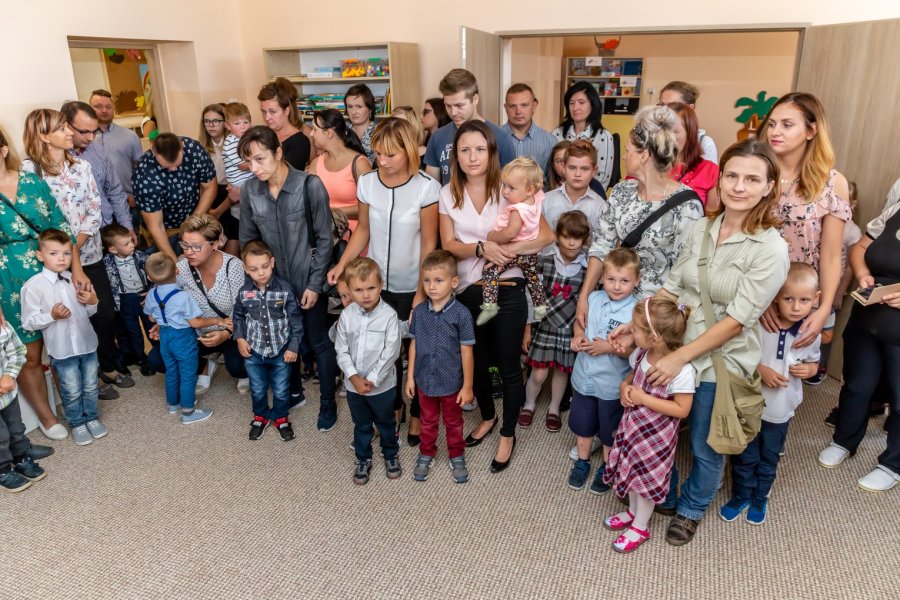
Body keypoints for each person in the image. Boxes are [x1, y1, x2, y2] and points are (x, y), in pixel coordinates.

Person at [619, 139, 789, 546]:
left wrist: (679, 358)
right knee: (661, 429)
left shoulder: (771, 248)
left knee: (704, 445)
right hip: (673, 347)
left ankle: (692, 508)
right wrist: (635, 323)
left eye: (752, 179)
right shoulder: (702, 228)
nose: (739, 187)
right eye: (732, 176)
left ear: (769, 187)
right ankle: (665, 493)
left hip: (720, 361)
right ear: (720, 178)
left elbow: (736, 322)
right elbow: (673, 286)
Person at [439, 120, 553, 472]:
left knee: (508, 366)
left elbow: (546, 236)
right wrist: (481, 248)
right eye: (464, 150)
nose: (472, 157)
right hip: (466, 290)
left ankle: (507, 434)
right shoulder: (447, 193)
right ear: (455, 155)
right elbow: (448, 244)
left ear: (491, 152)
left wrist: (508, 249)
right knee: (476, 362)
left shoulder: (509, 188)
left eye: (479, 149)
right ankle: (488, 417)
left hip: (508, 288)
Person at [327, 117, 440, 444]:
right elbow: (362, 230)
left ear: (408, 151)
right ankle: (394, 407)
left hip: (412, 284)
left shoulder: (426, 187)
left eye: (391, 154)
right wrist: (342, 266)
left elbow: (428, 244)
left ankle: (416, 411)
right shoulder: (367, 183)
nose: (383, 161)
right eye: (378, 153)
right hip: (377, 287)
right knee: (384, 352)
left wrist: (422, 291)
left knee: (417, 350)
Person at [22, 108, 133, 396]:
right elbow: (37, 219)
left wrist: (75, 247)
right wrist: (64, 254)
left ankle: (107, 364)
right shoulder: (28, 172)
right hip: (54, 261)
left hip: (89, 251)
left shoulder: (81, 166)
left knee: (103, 312)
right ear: (44, 137)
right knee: (71, 316)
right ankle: (91, 378)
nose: (69, 132)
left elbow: (94, 211)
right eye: (62, 129)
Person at [238, 126, 338, 431]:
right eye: (248, 161)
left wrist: (314, 284)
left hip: (308, 278)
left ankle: (328, 403)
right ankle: (294, 393)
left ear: (279, 153)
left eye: (260, 159)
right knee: (282, 340)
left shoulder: (310, 185)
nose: (254, 168)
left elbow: (325, 239)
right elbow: (248, 241)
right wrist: (258, 280)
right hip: (271, 283)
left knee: (318, 342)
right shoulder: (250, 190)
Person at [576, 105, 704, 328]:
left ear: (643, 155)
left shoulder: (687, 206)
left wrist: (642, 320)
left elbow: (682, 272)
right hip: (611, 305)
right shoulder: (621, 191)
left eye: (628, 151)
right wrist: (584, 298)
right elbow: (601, 246)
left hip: (656, 315)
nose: (624, 157)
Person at [720, 263, 821, 525]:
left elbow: (814, 362)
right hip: (750, 405)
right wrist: (760, 369)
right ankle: (741, 494)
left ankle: (760, 496)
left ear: (816, 299)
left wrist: (809, 370)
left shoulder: (811, 333)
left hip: (781, 408)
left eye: (804, 300)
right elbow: (739, 355)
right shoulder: (760, 326)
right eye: (788, 299)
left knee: (769, 455)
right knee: (745, 454)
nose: (796, 307)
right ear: (776, 296)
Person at [0, 124, 82, 441]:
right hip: (7, 283)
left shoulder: (32, 182)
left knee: (64, 345)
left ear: (3, 150)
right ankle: (47, 418)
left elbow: (62, 228)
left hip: (50, 271)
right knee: (29, 355)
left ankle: (76, 408)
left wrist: (77, 271)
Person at [818, 193, 900, 492]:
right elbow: (861, 247)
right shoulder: (895, 209)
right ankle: (844, 441)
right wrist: (864, 274)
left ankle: (893, 464)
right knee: (857, 385)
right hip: (868, 316)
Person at [757, 92, 851, 350]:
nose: (775, 131)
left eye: (787, 125)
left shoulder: (832, 183)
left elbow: (831, 255)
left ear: (811, 131)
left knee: (793, 369)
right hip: (756, 294)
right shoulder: (758, 173)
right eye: (772, 124)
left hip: (802, 301)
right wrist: (759, 300)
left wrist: (824, 309)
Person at [602, 296, 695, 553]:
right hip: (633, 428)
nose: (631, 331)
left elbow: (682, 409)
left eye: (636, 329)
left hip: (656, 438)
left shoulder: (682, 371)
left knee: (645, 481)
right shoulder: (643, 353)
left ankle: (641, 526)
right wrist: (625, 386)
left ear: (654, 338)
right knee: (632, 471)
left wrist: (644, 399)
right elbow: (633, 377)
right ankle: (633, 513)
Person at [21, 229, 103, 446]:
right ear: (40, 256)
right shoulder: (33, 286)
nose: (62, 259)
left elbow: (89, 312)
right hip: (62, 349)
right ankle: (77, 422)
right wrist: (51, 315)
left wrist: (93, 301)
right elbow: (28, 322)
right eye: (54, 253)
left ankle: (92, 417)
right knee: (71, 389)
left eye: (67, 253)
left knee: (91, 385)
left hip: (87, 344)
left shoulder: (74, 279)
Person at [567, 248, 639, 492]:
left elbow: (634, 351)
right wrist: (578, 336)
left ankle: (608, 466)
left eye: (624, 281)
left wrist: (607, 347)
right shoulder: (593, 299)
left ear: (636, 281)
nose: (616, 286)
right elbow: (579, 323)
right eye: (611, 279)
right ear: (601, 278)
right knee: (583, 424)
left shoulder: (635, 311)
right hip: (583, 379)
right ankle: (582, 461)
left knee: (610, 430)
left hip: (611, 385)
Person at [406, 250, 475, 483]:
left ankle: (456, 454)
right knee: (427, 420)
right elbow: (413, 345)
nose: (431, 286)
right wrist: (410, 378)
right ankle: (426, 452)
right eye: (426, 280)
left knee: (453, 422)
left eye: (438, 280)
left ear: (453, 282)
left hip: (451, 381)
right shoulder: (419, 313)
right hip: (424, 379)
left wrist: (467, 386)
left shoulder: (462, 314)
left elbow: (467, 352)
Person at [334, 257, 402, 485]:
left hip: (382, 386)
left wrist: (371, 379)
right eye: (358, 290)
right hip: (354, 386)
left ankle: (390, 454)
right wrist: (353, 378)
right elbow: (341, 349)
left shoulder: (389, 316)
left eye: (371, 288)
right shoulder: (346, 316)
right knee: (361, 425)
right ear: (349, 290)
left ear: (380, 285)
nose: (365, 295)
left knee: (386, 423)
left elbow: (391, 352)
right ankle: (363, 458)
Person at [520, 212, 590, 430]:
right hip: (545, 326)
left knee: (561, 373)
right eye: (566, 236)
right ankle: (529, 404)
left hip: (568, 328)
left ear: (585, 239)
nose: (571, 243)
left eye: (577, 238)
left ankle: (554, 408)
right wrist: (528, 328)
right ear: (557, 236)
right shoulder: (545, 260)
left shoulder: (588, 268)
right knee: (538, 374)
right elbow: (531, 295)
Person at [233, 240, 303, 442]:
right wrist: (240, 338)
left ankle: (280, 417)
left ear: (272, 262)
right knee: (257, 388)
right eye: (254, 269)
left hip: (281, 350)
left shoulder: (285, 290)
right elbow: (237, 316)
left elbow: (296, 321)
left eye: (265, 266)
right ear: (245, 269)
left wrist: (293, 346)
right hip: (254, 351)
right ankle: (260, 416)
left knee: (281, 388)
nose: (261, 273)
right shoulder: (244, 292)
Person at [143, 252, 226, 424]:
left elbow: (151, 317)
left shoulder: (151, 294)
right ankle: (188, 412)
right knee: (188, 374)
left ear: (149, 277)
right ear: (177, 271)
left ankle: (173, 404)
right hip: (182, 338)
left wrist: (163, 318)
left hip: (165, 336)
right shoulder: (182, 296)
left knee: (172, 371)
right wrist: (218, 320)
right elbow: (195, 322)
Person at [478, 157, 548, 325]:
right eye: (504, 185)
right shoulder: (536, 198)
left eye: (511, 188)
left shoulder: (517, 209)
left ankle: (490, 305)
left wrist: (492, 236)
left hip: (513, 253)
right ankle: (540, 306)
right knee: (532, 277)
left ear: (529, 190)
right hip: (531, 253)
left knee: (490, 271)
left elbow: (510, 233)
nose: (505, 192)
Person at [132, 132, 217, 263]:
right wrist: (175, 263)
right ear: (154, 152)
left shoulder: (194, 150)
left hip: (197, 218)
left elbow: (209, 187)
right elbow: (156, 226)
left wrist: (192, 224)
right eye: (167, 167)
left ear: (181, 146)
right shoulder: (144, 174)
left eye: (177, 164)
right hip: (166, 229)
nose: (173, 169)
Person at [424, 69, 516, 185]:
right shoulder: (437, 137)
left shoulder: (501, 138)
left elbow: (510, 186)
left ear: (475, 99)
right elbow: (431, 188)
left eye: (459, 105)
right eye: (448, 106)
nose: (453, 113)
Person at [815, 181, 862, 390]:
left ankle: (820, 366)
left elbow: (851, 266)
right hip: (810, 285)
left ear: (853, 204)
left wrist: (839, 292)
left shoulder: (852, 231)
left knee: (825, 330)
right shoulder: (819, 221)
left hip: (830, 288)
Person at [61, 101, 133, 234]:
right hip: (79, 235)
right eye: (84, 132)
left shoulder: (97, 150)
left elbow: (114, 190)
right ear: (66, 125)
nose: (91, 138)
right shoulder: (56, 158)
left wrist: (126, 225)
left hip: (108, 227)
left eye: (94, 132)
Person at [307, 109, 372, 233]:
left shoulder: (360, 164)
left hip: (354, 234)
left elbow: (370, 207)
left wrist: (331, 212)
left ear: (329, 133)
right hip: (323, 235)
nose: (311, 134)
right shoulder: (316, 164)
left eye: (315, 129)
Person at [101, 224, 154, 376]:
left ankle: (158, 353)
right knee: (133, 332)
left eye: (131, 241)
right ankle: (141, 358)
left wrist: (152, 290)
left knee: (151, 326)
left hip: (144, 296)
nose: (132, 245)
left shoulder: (141, 256)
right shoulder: (107, 262)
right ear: (113, 249)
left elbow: (155, 272)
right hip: (125, 301)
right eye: (126, 244)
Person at [0, 322, 46, 492]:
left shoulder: (3, 326)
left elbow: (18, 351)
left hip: (8, 394)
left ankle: (21, 458)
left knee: (16, 429)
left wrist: (8, 375)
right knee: (1, 438)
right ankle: (3, 470)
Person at [90, 89, 144, 231]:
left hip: (127, 203)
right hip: (95, 207)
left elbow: (141, 170)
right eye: (98, 106)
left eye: (108, 106)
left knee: (131, 241)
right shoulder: (83, 139)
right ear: (89, 109)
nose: (104, 110)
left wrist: (136, 195)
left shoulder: (130, 136)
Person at [552, 81, 620, 191]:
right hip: (558, 194)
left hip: (590, 195)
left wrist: (578, 196)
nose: (575, 108)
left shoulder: (604, 136)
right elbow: (552, 172)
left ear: (592, 105)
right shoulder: (557, 133)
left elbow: (602, 179)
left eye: (581, 102)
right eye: (571, 103)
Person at [541, 140, 606, 236]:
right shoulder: (545, 201)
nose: (577, 174)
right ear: (564, 168)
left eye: (584, 169)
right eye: (572, 168)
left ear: (594, 171)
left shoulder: (600, 207)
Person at [199, 103, 240, 255]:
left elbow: (237, 185)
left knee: (232, 237)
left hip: (231, 197)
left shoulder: (234, 144)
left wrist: (218, 211)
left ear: (225, 123)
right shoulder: (200, 147)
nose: (211, 125)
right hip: (210, 196)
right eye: (207, 121)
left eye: (216, 121)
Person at [668, 103, 719, 208]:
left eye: (673, 131)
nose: (664, 137)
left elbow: (712, 215)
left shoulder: (709, 171)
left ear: (690, 133)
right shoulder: (646, 166)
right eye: (660, 131)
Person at [258, 78, 313, 170]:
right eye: (264, 112)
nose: (267, 117)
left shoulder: (300, 142)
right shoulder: (262, 135)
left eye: (272, 112)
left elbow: (281, 174)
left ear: (287, 111)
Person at [659, 81, 718, 163]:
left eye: (673, 106)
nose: (664, 111)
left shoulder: (704, 143)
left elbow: (709, 170)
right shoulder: (654, 136)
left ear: (690, 108)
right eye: (662, 105)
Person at [502, 83, 556, 170]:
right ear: (505, 108)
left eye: (524, 105)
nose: (518, 111)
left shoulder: (550, 142)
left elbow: (552, 177)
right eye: (512, 106)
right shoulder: (493, 138)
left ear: (534, 106)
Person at [345, 83, 378, 163]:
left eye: (359, 107)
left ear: (370, 109)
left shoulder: (380, 133)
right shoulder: (342, 134)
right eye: (350, 107)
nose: (353, 112)